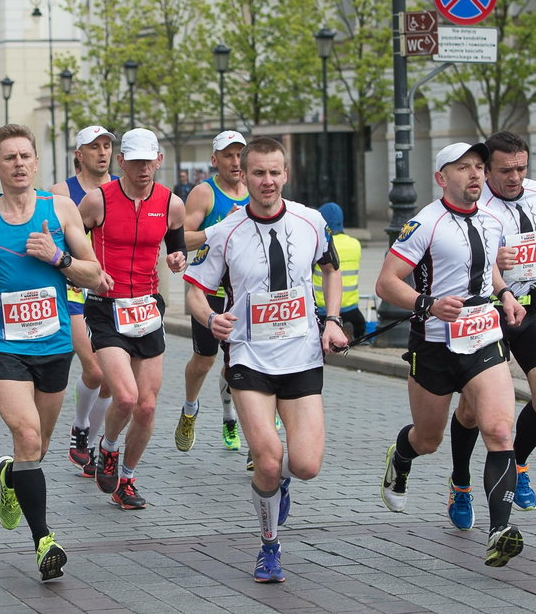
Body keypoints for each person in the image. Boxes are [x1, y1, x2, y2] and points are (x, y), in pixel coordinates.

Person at [184, 137, 347, 583]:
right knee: (268, 460)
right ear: (244, 174)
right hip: (249, 358)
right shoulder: (225, 232)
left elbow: (330, 268)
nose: (267, 181)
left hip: (302, 355)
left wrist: (332, 320)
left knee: (307, 464)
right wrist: (211, 318)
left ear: (286, 173)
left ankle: (282, 486)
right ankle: (269, 544)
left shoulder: (311, 222)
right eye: (258, 173)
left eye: (275, 172)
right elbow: (195, 290)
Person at [0, 123, 103, 581]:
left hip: (54, 343)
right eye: (9, 158)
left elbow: (94, 275)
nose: (19, 164)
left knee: (36, 447)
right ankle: (44, 541)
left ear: (37, 162)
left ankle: (10, 476)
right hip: (1, 342)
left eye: (26, 156)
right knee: (29, 437)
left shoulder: (59, 210)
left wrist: (56, 257)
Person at [377, 141, 526, 568]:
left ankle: (499, 530)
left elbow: (486, 267)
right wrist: (427, 304)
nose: (475, 175)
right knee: (429, 438)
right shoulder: (425, 223)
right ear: (442, 178)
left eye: (479, 167)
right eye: (464, 168)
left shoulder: (494, 219)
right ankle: (401, 457)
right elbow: (387, 283)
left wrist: (504, 294)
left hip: (484, 338)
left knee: (499, 430)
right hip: (435, 345)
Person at [445, 132, 536, 528]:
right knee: (470, 411)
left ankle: (517, 465)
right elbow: (476, 256)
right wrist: (499, 280)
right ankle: (461, 483)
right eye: (505, 170)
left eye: (521, 167)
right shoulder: (476, 202)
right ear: (489, 170)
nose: (515, 177)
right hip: (489, 313)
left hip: (531, 307)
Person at [77, 128, 187, 509]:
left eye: (149, 161)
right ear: (121, 161)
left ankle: (127, 479)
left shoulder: (171, 203)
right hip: (106, 307)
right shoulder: (97, 201)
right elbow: (73, 245)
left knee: (148, 406)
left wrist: (177, 258)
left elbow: (176, 244)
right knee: (124, 396)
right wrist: (90, 270)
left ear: (159, 160)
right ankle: (107, 448)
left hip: (146, 307)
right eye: (135, 161)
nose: (143, 168)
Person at [48, 126, 117, 476]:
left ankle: (91, 443)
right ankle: (79, 428)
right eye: (94, 147)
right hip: (74, 287)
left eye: (107, 146)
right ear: (79, 153)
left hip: (111, 290)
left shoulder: (121, 189)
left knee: (109, 377)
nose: (102, 153)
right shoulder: (62, 192)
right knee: (93, 367)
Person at [177, 130, 249, 455]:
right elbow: (180, 239)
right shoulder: (204, 193)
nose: (235, 162)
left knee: (245, 364)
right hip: (209, 291)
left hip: (246, 292)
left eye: (239, 155)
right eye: (228, 155)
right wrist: (220, 227)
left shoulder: (258, 189)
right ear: (214, 160)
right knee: (205, 361)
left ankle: (235, 423)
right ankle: (190, 409)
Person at [313, 202, 366, 339]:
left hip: (325, 310)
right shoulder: (355, 244)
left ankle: (330, 331)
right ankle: (347, 331)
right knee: (360, 327)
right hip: (352, 309)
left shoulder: (321, 244)